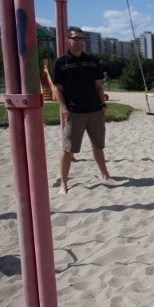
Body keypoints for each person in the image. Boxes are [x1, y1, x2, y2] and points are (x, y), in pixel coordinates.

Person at [53, 26, 115, 194]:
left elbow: (98, 86)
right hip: (74, 111)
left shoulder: (92, 60)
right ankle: (63, 183)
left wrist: (102, 104)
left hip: (94, 110)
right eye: (76, 38)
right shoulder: (61, 62)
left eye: (82, 39)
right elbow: (57, 88)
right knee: (68, 148)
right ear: (68, 40)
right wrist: (64, 108)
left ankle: (105, 175)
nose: (80, 41)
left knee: (98, 145)